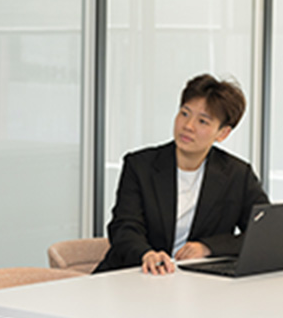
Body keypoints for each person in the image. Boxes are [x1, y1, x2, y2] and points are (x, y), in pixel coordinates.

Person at [94, 74, 269, 275]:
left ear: (222, 133)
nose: (188, 126)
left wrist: (208, 247)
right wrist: (146, 254)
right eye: (184, 113)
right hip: (135, 274)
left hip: (196, 281)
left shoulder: (237, 174)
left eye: (202, 121)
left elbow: (265, 231)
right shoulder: (140, 166)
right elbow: (124, 226)